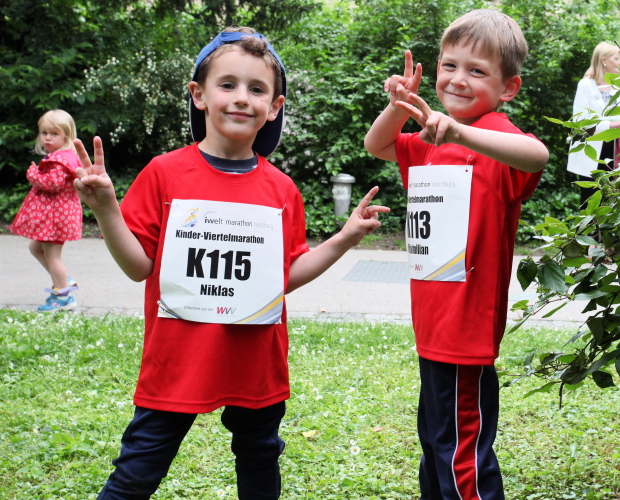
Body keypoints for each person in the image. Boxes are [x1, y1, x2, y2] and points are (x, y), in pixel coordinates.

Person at [73, 27, 389, 499]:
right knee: (138, 470)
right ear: (199, 95)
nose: (242, 98)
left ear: (274, 106)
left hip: (254, 361)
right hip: (177, 359)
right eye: (228, 84)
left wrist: (344, 239)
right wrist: (105, 209)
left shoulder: (282, 190)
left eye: (257, 89)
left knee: (260, 458)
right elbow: (139, 267)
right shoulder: (164, 173)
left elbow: (284, 278)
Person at [364, 9, 548, 500]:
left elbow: (538, 155)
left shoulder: (495, 139)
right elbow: (377, 144)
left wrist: (461, 132)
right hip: (432, 323)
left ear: (508, 88)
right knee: (436, 444)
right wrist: (401, 106)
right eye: (449, 65)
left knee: (461, 454)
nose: (458, 79)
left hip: (467, 330)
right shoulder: (429, 141)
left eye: (477, 70)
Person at [9, 109, 82, 312]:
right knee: (35, 248)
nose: (48, 137)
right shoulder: (61, 156)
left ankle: (64, 297)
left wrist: (33, 174)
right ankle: (63, 279)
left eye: (54, 133)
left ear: (66, 136)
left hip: (56, 218)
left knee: (53, 256)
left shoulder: (60, 160)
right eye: (44, 133)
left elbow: (53, 183)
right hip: (55, 216)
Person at [566, 41, 620, 205]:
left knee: (612, 199)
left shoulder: (619, 88)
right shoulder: (585, 85)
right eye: (616, 59)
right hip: (591, 151)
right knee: (590, 200)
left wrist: (617, 124)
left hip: (614, 151)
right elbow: (580, 121)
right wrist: (610, 125)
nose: (619, 63)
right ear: (604, 60)